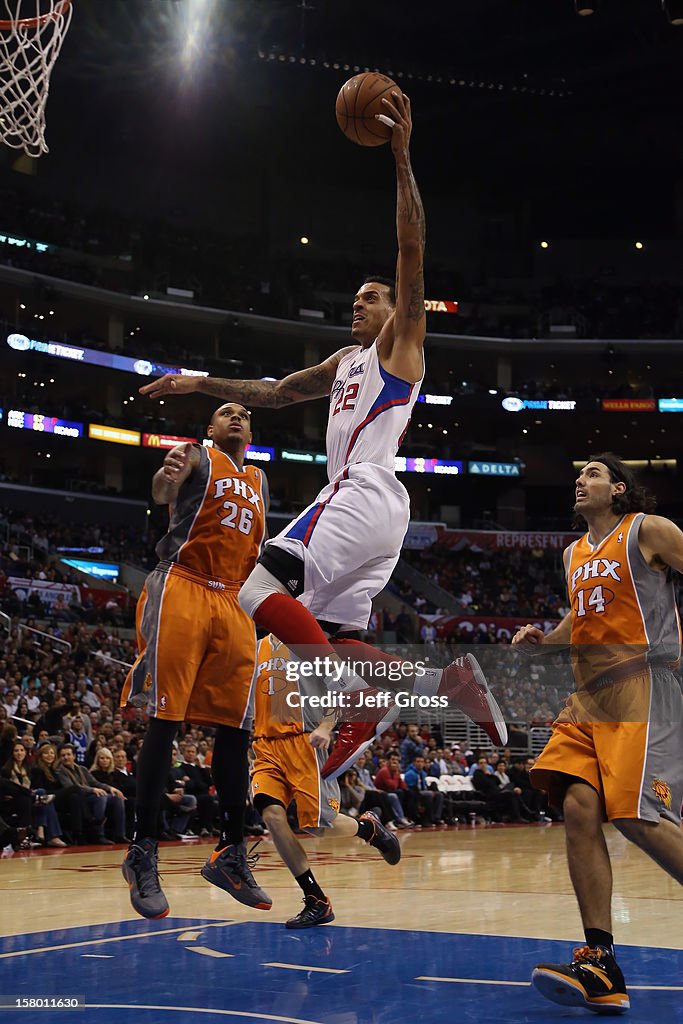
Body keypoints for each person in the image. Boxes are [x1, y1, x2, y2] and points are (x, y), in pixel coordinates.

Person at [139, 91, 507, 775]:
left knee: (254, 589)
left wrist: (400, 158)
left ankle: (353, 696)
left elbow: (410, 247)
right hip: (372, 513)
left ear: (396, 309)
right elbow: (273, 393)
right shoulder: (343, 363)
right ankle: (439, 685)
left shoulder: (400, 347)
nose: (358, 307)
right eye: (356, 301)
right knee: (334, 635)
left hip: (361, 491)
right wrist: (199, 383)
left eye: (370, 298)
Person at [512, 454, 683, 1014]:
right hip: (587, 700)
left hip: (642, 686)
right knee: (579, 808)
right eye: (578, 473)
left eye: (592, 472)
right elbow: (579, 619)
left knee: (634, 815)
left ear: (619, 488)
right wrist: (548, 639)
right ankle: (600, 963)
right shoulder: (572, 554)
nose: (580, 480)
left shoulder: (648, 531)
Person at [119, 402, 271, 920]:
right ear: (209, 427)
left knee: (238, 728)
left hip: (233, 599)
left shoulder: (259, 479)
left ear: (250, 431)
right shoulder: (195, 456)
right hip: (182, 583)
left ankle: (230, 851)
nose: (235, 416)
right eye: (225, 411)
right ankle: (142, 850)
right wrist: (165, 478)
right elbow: (163, 491)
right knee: (167, 718)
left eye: (244, 414)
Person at [246, 634, 400, 928]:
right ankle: (316, 898)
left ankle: (369, 828)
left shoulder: (309, 639)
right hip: (265, 743)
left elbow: (339, 693)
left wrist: (328, 726)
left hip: (305, 739)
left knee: (319, 825)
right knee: (272, 815)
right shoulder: (257, 647)